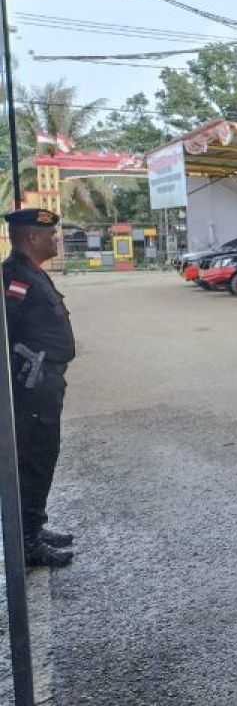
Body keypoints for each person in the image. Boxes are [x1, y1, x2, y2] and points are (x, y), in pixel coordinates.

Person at [4, 208, 76, 568]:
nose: (56, 239)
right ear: (33, 239)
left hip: (46, 384)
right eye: (50, 234)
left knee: (44, 457)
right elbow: (6, 331)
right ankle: (27, 543)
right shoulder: (15, 278)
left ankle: (34, 524)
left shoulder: (32, 273)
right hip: (31, 387)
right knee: (34, 460)